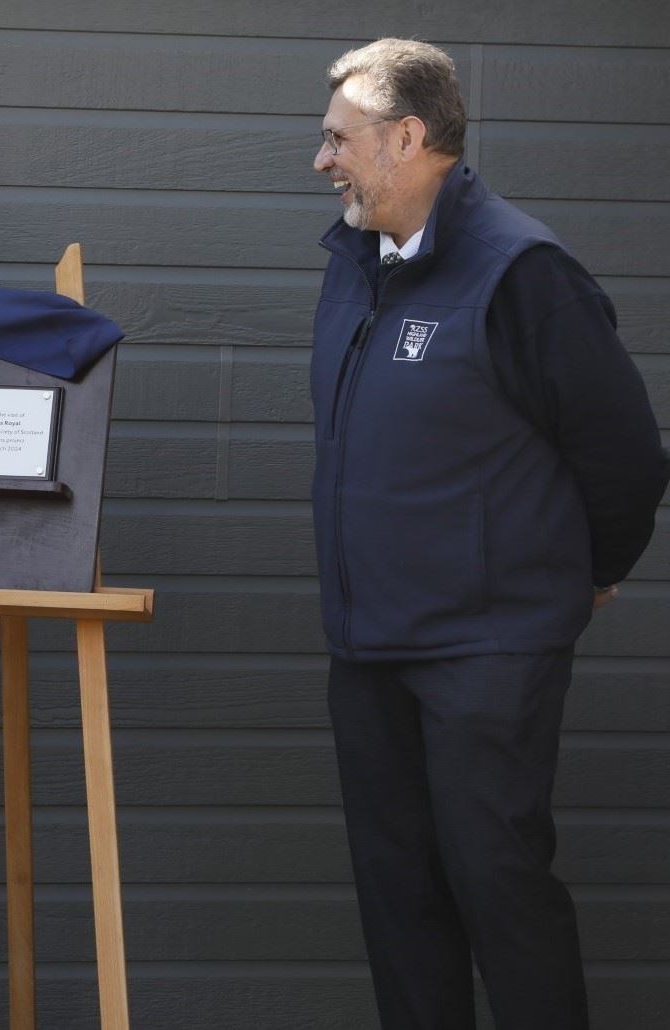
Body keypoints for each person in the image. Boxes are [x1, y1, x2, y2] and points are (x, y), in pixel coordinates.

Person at [309, 39, 667, 1029]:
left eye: (337, 138)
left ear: (406, 137)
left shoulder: (520, 272)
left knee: (497, 892)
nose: (321, 158)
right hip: (367, 649)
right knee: (399, 905)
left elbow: (625, 456)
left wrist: (586, 573)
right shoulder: (350, 263)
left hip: (486, 652)